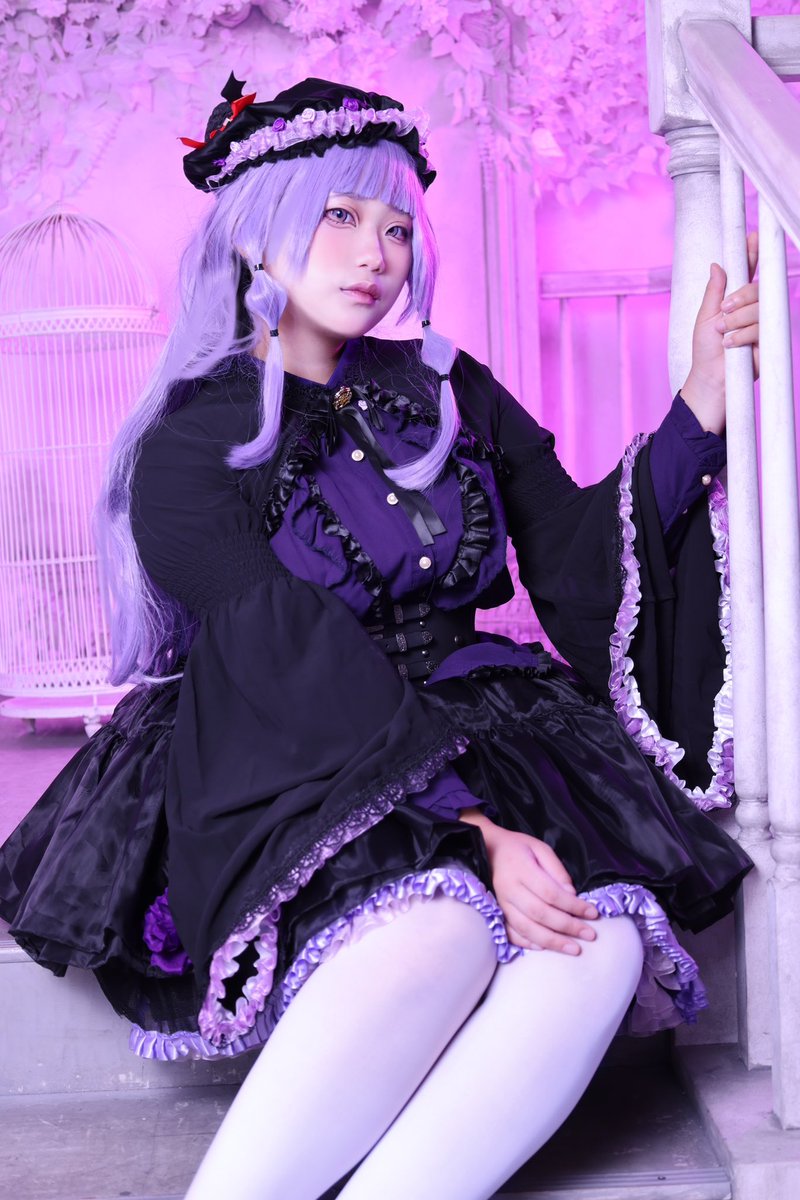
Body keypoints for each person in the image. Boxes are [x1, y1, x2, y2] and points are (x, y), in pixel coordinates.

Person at [0, 75, 758, 1200]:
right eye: (339, 216)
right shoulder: (192, 440)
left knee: (595, 948)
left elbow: (574, 553)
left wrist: (697, 404)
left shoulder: (451, 390)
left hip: (483, 721)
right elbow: (277, 653)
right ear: (253, 236)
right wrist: (471, 827)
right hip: (287, 747)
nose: (375, 253)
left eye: (398, 227)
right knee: (439, 926)